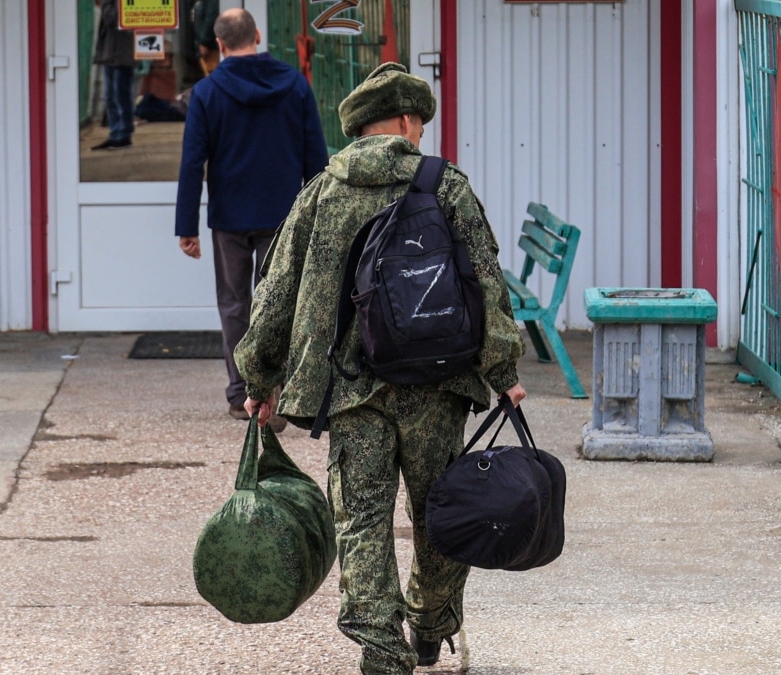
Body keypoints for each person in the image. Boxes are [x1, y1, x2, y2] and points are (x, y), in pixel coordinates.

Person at [234, 63, 527, 674]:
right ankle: (430, 622)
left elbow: (278, 291)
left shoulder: (321, 190)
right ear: (404, 120)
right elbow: (487, 283)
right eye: (417, 121)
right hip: (438, 384)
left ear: (357, 128)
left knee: (362, 519)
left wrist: (261, 379)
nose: (419, 131)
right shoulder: (446, 186)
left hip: (352, 393)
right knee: (441, 512)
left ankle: (380, 647)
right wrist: (503, 371)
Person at [174, 8, 328, 426]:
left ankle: (241, 391)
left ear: (220, 45)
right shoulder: (293, 84)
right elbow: (316, 155)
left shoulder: (207, 92)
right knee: (280, 304)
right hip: (283, 215)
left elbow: (192, 163)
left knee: (234, 304)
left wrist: (186, 226)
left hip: (229, 216)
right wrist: (317, 215)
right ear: (258, 35)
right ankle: (274, 391)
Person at [91, 0, 136, 150]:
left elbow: (113, 18)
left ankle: (123, 134)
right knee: (111, 96)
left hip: (121, 53)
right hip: (111, 53)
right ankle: (116, 133)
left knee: (120, 95)